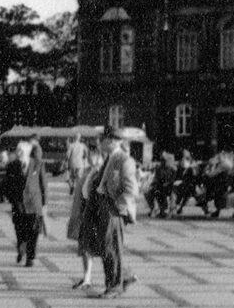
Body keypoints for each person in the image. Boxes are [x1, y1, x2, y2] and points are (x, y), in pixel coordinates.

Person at [95, 127, 139, 298]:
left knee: (111, 248)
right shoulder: (109, 158)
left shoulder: (124, 160)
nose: (100, 143)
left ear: (112, 141)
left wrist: (117, 207)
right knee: (107, 247)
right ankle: (123, 277)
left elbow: (131, 190)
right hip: (103, 208)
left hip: (113, 210)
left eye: (103, 140)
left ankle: (114, 287)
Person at [1, 140, 46, 267]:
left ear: (27, 151)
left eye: (21, 151)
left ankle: (30, 257)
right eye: (18, 151)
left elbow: (43, 183)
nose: (19, 153)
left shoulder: (38, 164)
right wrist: (11, 199)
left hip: (34, 203)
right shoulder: (12, 165)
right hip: (18, 203)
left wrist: (44, 202)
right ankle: (21, 249)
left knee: (33, 230)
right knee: (20, 230)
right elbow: (6, 183)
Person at [67, 146, 105, 290]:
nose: (91, 158)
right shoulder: (88, 172)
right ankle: (87, 278)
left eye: (94, 155)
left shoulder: (101, 173)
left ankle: (123, 276)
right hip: (85, 216)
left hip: (95, 217)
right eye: (90, 155)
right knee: (86, 248)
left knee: (103, 249)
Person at [147, 152, 177, 219]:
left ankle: (170, 211)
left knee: (173, 195)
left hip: (170, 187)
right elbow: (156, 178)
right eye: (162, 160)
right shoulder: (158, 169)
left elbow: (174, 180)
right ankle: (155, 209)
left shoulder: (173, 169)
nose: (162, 162)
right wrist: (153, 184)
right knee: (149, 193)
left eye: (164, 160)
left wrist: (168, 183)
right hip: (160, 187)